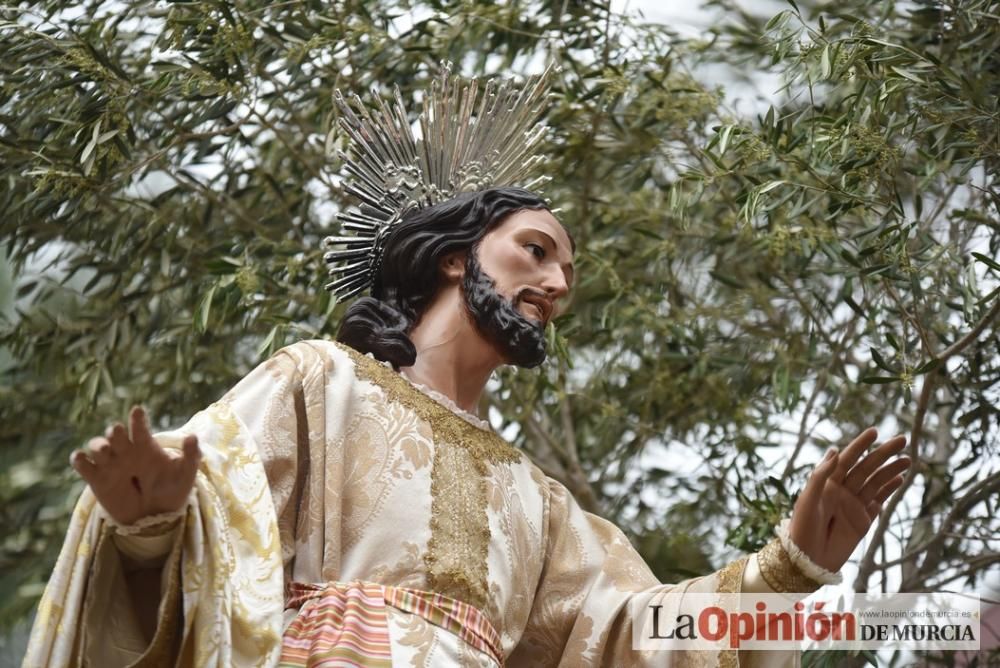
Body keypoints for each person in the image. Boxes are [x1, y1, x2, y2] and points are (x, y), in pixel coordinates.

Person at [24, 68, 910, 668]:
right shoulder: (319, 385)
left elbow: (629, 635)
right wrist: (146, 529)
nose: (558, 283)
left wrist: (789, 570)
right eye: (536, 251)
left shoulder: (539, 501)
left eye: (568, 271)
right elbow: (211, 541)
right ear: (455, 257)